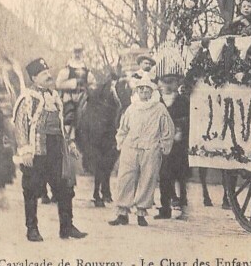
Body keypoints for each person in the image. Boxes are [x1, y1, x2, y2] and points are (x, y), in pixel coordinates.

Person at [13, 58, 87, 241]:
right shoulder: (27, 98)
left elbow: (62, 125)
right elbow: (20, 126)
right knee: (31, 189)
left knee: (64, 187)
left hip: (56, 149)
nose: (49, 76)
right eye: (44, 74)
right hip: (37, 150)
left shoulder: (55, 97)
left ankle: (67, 227)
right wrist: (25, 151)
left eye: (48, 72)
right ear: (34, 77)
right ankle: (32, 229)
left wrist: (70, 144)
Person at [109, 74, 174, 227]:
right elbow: (123, 128)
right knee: (125, 178)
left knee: (147, 179)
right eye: (141, 89)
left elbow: (167, 130)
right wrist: (121, 143)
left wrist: (163, 146)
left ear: (152, 91)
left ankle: (141, 212)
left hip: (150, 149)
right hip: (130, 148)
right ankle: (122, 213)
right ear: (137, 91)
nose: (144, 92)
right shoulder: (132, 108)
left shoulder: (159, 109)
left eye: (147, 89)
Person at [154, 74, 190, 220]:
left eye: (172, 82)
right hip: (163, 142)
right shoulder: (157, 101)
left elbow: (189, 118)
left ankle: (182, 205)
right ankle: (165, 208)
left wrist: (181, 129)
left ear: (176, 84)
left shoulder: (182, 101)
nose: (168, 86)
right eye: (165, 82)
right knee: (164, 175)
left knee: (180, 175)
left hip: (179, 143)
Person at [56, 44, 96, 129]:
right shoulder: (66, 70)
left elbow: (93, 83)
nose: (77, 55)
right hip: (69, 97)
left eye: (79, 52)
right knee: (69, 117)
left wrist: (89, 88)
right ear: (72, 53)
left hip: (84, 97)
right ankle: (69, 137)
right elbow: (58, 84)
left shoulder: (86, 70)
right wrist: (73, 83)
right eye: (75, 52)